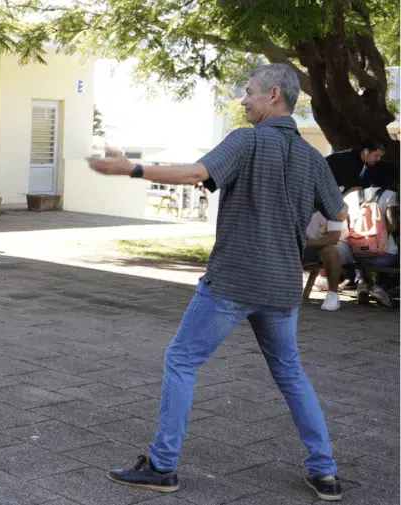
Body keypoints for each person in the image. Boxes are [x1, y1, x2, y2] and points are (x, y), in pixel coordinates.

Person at [88, 63, 345, 502]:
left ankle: (162, 466)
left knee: (182, 361)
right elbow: (337, 218)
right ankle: (325, 474)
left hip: (233, 281)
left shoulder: (246, 140)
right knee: (291, 373)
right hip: (282, 286)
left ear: (275, 97)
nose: (243, 100)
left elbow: (193, 174)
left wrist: (130, 169)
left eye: (249, 92)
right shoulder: (311, 158)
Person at [345, 165, 399, 307]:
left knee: (364, 252)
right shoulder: (389, 195)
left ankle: (362, 282)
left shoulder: (351, 196)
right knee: (395, 254)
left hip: (357, 254)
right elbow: (393, 226)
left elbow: (347, 226)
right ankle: (380, 287)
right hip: (383, 255)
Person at [303, 208, 354, 311]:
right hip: (310, 245)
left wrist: (304, 243)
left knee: (330, 251)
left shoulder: (331, 206)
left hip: (338, 244)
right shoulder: (298, 205)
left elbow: (333, 238)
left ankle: (333, 295)